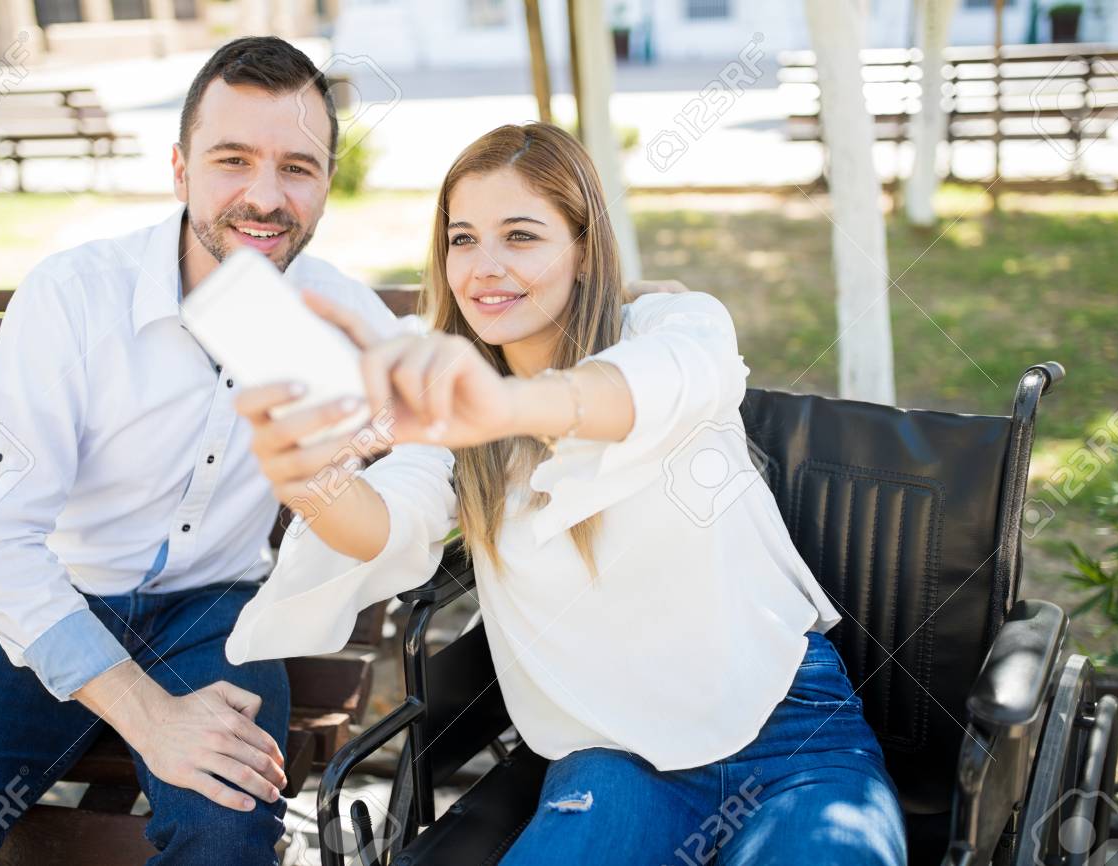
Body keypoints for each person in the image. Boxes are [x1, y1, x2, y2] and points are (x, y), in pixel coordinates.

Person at [228, 122, 909, 865]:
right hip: (612, 753)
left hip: (788, 728)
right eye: (463, 239)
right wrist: (309, 481)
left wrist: (509, 406)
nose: (484, 267)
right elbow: (388, 521)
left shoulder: (672, 326)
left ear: (584, 250)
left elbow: (652, 385)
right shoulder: (448, 420)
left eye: (521, 236)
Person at [0, 36, 451, 865]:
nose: (265, 197)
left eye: (297, 167)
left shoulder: (337, 314)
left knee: (225, 832)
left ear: (327, 182)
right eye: (232, 160)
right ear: (180, 170)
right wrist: (148, 715)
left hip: (217, 617)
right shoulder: (74, 298)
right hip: (58, 607)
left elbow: (428, 436)